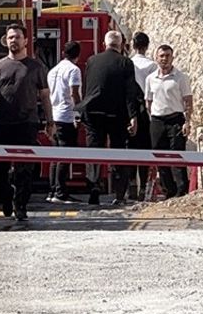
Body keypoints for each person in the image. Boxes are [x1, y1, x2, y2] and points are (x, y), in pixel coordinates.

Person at [0, 24, 53, 221]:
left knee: (25, 168)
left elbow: (45, 96)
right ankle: (6, 193)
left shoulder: (36, 67)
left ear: (26, 41)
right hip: (2, 124)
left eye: (17, 37)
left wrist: (50, 121)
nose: (14, 40)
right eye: (10, 37)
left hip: (26, 124)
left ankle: (20, 205)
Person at [78, 30, 141, 206]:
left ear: (104, 44)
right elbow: (130, 92)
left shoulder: (92, 60)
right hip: (116, 114)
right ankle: (119, 194)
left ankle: (94, 187)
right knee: (118, 152)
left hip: (93, 112)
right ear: (121, 45)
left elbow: (87, 87)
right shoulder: (126, 63)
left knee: (94, 152)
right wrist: (133, 116)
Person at [146, 44, 194, 198]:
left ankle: (182, 191)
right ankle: (169, 190)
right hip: (158, 120)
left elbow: (188, 101)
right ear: (156, 58)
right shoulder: (150, 78)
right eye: (162, 56)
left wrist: (187, 121)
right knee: (160, 157)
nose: (164, 59)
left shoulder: (181, 77)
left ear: (172, 58)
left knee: (177, 155)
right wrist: (153, 117)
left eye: (167, 56)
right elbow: (149, 101)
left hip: (175, 119)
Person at [46, 40, 83, 204]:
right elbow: (74, 94)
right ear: (78, 55)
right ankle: (61, 192)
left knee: (55, 155)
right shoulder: (74, 70)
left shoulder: (52, 70)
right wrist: (78, 113)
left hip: (54, 115)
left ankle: (53, 190)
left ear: (63, 53)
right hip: (67, 116)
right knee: (66, 154)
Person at [128, 32, 158, 196]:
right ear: (147, 46)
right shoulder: (152, 66)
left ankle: (131, 183)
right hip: (145, 112)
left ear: (133, 45)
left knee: (131, 147)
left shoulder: (127, 63)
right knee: (144, 148)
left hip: (129, 110)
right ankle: (142, 187)